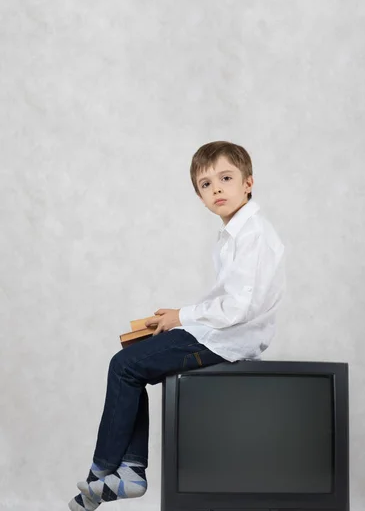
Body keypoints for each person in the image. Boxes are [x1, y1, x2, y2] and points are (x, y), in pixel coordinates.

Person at [68, 140, 286, 511]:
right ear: (199, 197)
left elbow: (238, 309)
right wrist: (177, 315)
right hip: (220, 333)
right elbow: (227, 299)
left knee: (123, 367)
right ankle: (130, 471)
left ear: (248, 183)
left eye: (226, 178)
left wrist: (183, 317)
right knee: (132, 356)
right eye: (205, 184)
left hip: (229, 341)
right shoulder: (234, 233)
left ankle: (101, 475)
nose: (216, 188)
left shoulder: (253, 235)